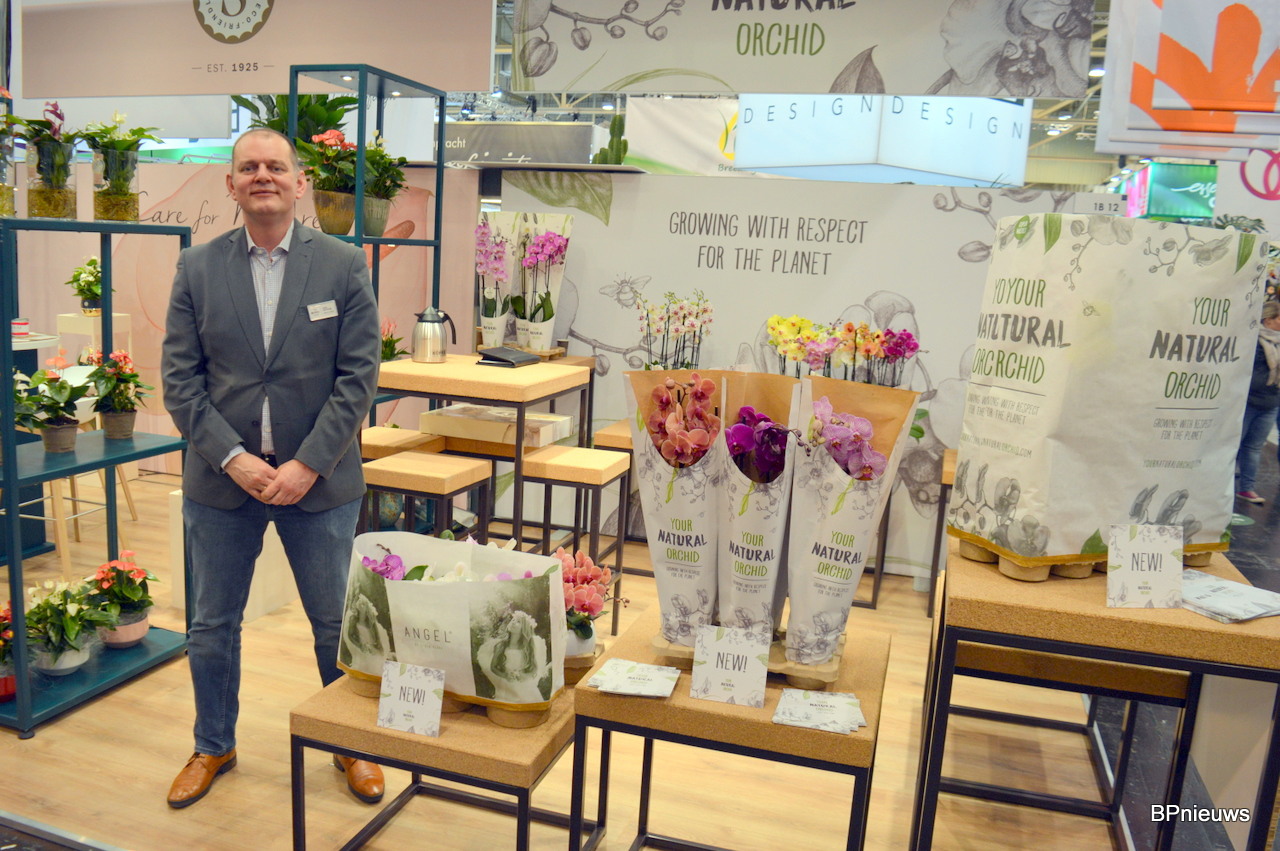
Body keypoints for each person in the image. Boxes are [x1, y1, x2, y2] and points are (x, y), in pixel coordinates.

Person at [161, 127, 384, 808]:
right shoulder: (197, 268)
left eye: (276, 166)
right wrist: (233, 458)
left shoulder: (343, 264)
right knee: (211, 626)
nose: (263, 176)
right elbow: (180, 381)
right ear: (230, 184)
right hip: (221, 482)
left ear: (299, 182)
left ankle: (352, 743)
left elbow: (358, 377)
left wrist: (308, 464)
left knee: (335, 625)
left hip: (319, 483)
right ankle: (213, 743)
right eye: (249, 167)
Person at [1235, 300, 1280, 504]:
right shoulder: (1252, 341)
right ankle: (1220, 486)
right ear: (1268, 320)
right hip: (1248, 402)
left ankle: (1247, 489)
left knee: (1253, 447)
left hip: (1270, 404)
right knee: (1234, 445)